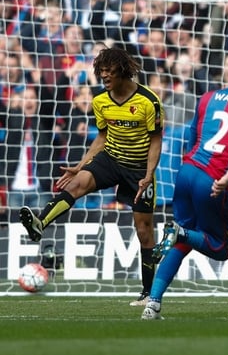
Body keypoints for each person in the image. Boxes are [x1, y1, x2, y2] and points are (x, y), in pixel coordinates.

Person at [19, 47, 163, 307]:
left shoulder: (147, 101)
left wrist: (149, 173)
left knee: (144, 231)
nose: (104, 76)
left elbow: (155, 140)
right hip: (110, 158)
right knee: (75, 183)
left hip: (139, 167)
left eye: (109, 71)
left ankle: (148, 293)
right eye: (102, 72)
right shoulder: (100, 101)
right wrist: (82, 164)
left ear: (122, 70)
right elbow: (102, 136)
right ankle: (40, 224)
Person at [141, 53, 228, 320]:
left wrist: (192, 166)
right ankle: (180, 235)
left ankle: (152, 303)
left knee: (183, 237)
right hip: (213, 179)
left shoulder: (207, 98)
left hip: (187, 172)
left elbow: (192, 134)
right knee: (222, 247)